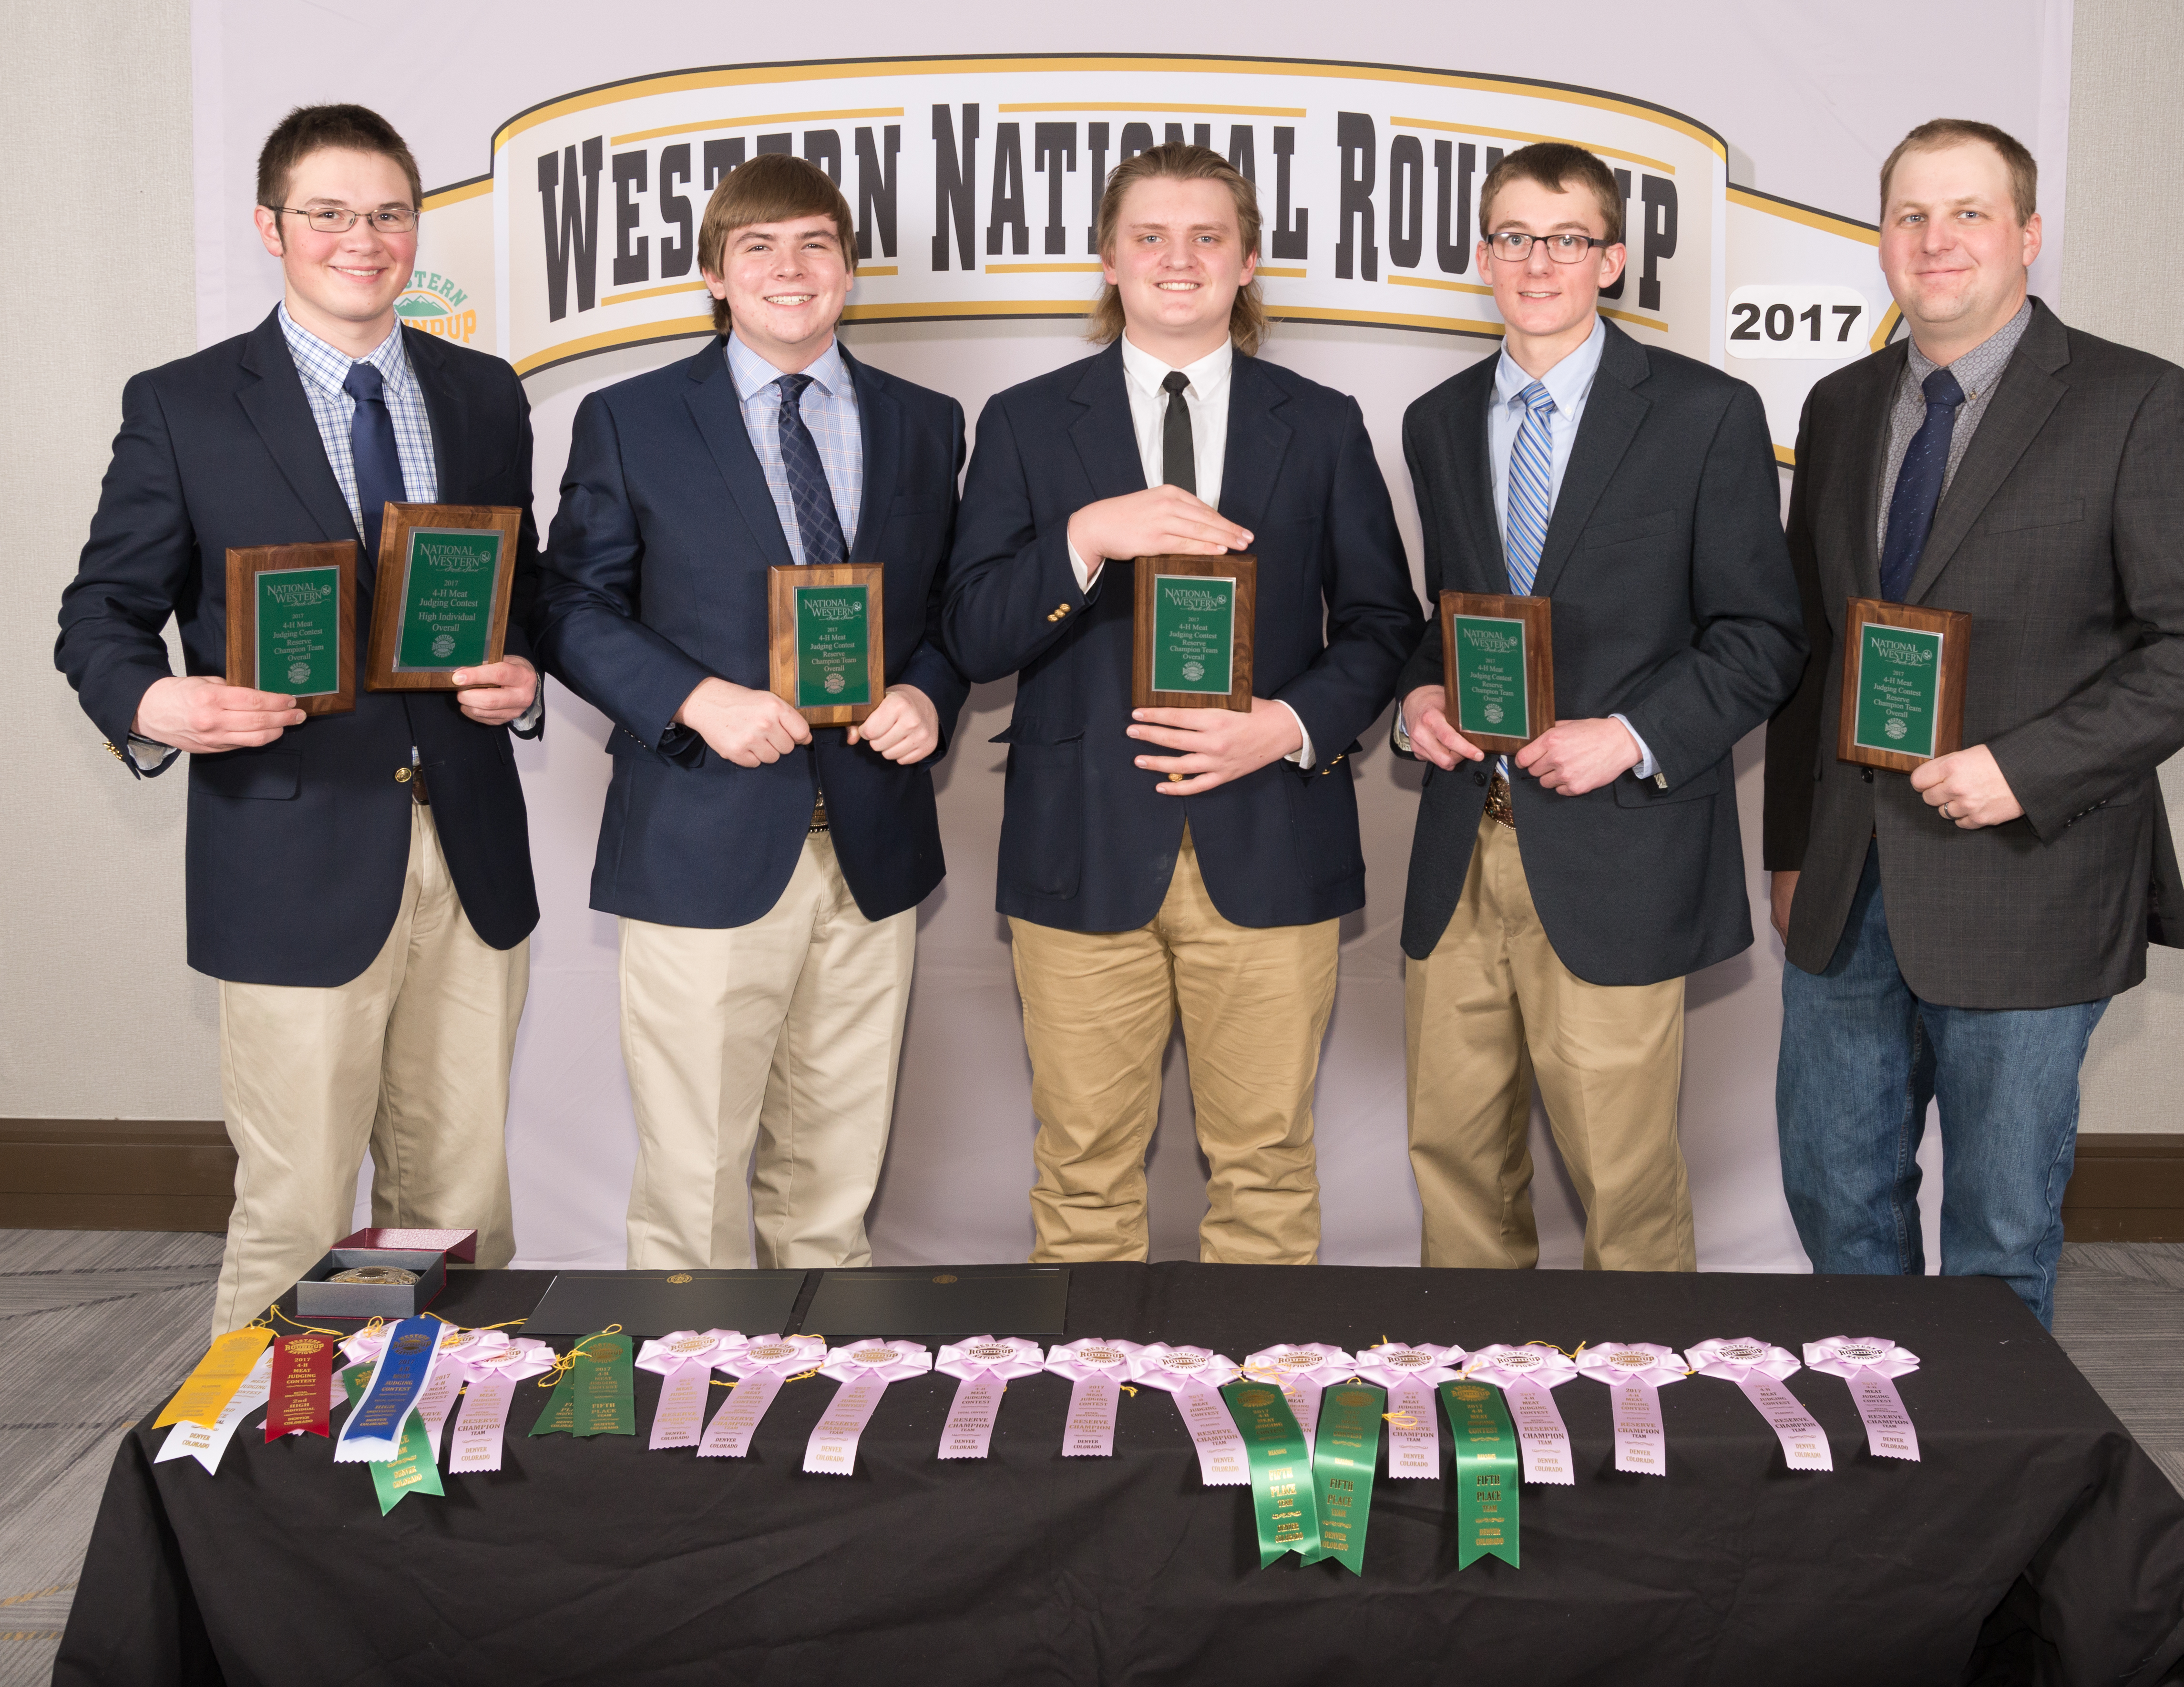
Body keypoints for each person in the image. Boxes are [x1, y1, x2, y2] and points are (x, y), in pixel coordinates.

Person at [55, 105, 544, 1334]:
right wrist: (155, 700)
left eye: (386, 214)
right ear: (272, 227)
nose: (360, 239)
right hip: (287, 856)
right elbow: (100, 612)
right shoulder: (184, 405)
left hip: (469, 846)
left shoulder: (484, 395)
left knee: (463, 1203)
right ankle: (257, 1505)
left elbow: (518, 590)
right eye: (328, 213)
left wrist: (522, 670)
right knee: (295, 1210)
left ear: (414, 231)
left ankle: (455, 1487)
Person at [1764, 119, 2184, 1326]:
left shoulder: (2136, 400)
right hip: (1846, 880)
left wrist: (2023, 767)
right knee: (1837, 1198)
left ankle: (1988, 1481)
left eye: (1969, 215)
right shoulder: (1838, 405)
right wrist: (1786, 848)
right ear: (1882, 240)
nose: (1937, 243)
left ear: (2028, 235)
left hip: (2028, 875)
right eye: (1911, 217)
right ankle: (1881, 1454)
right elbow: (1812, 646)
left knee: (1997, 1227)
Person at [944, 143, 1421, 1265]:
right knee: (1084, 1169)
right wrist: (1082, 539)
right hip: (1082, 847)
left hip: (1271, 842)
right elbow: (970, 632)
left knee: (1264, 1169)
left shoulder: (1321, 419)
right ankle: (1090, 1428)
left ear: (1248, 261)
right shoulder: (1022, 422)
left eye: (1208, 236)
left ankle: (1260, 1429)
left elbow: (1382, 623)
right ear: (1108, 259)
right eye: (1150, 235)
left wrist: (1287, 726)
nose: (1178, 258)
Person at [536, 154, 967, 1271]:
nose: (790, 267)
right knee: (692, 1187)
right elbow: (568, 605)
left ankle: (823, 1414)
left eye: (815, 242)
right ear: (716, 276)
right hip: (702, 834)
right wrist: (694, 697)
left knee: (832, 1182)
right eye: (758, 247)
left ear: (849, 270)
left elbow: (948, 607)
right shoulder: (630, 420)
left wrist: (930, 689)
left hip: (870, 844)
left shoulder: (926, 422)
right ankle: (692, 1425)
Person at [1393, 143, 1805, 1273]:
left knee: (1624, 1179)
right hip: (1463, 852)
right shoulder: (1437, 421)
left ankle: (1638, 1430)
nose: (1538, 262)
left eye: (1567, 238)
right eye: (1514, 237)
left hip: (1621, 849)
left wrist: (1628, 736)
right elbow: (1446, 615)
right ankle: (1474, 1420)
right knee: (1456, 1159)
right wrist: (1420, 691)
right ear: (1483, 257)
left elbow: (1764, 638)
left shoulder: (1705, 414)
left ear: (1611, 259)